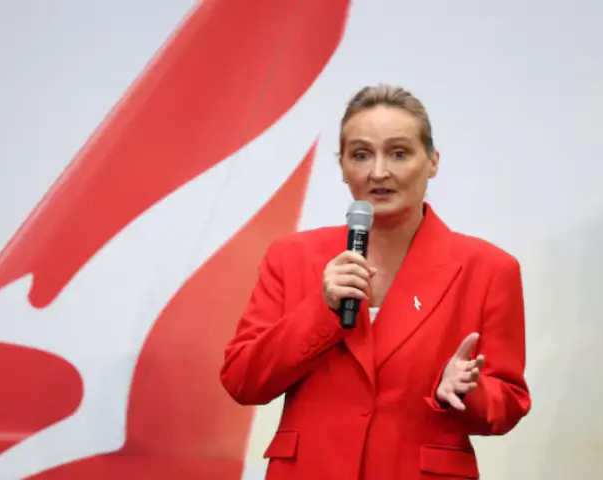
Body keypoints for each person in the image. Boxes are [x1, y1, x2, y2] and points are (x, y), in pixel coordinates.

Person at [219, 84, 531, 479]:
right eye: (361, 155)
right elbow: (243, 381)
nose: (378, 172)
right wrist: (321, 309)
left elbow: (509, 402)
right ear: (343, 166)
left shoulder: (489, 268)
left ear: (432, 162)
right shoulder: (292, 257)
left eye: (399, 153)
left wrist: (469, 391)